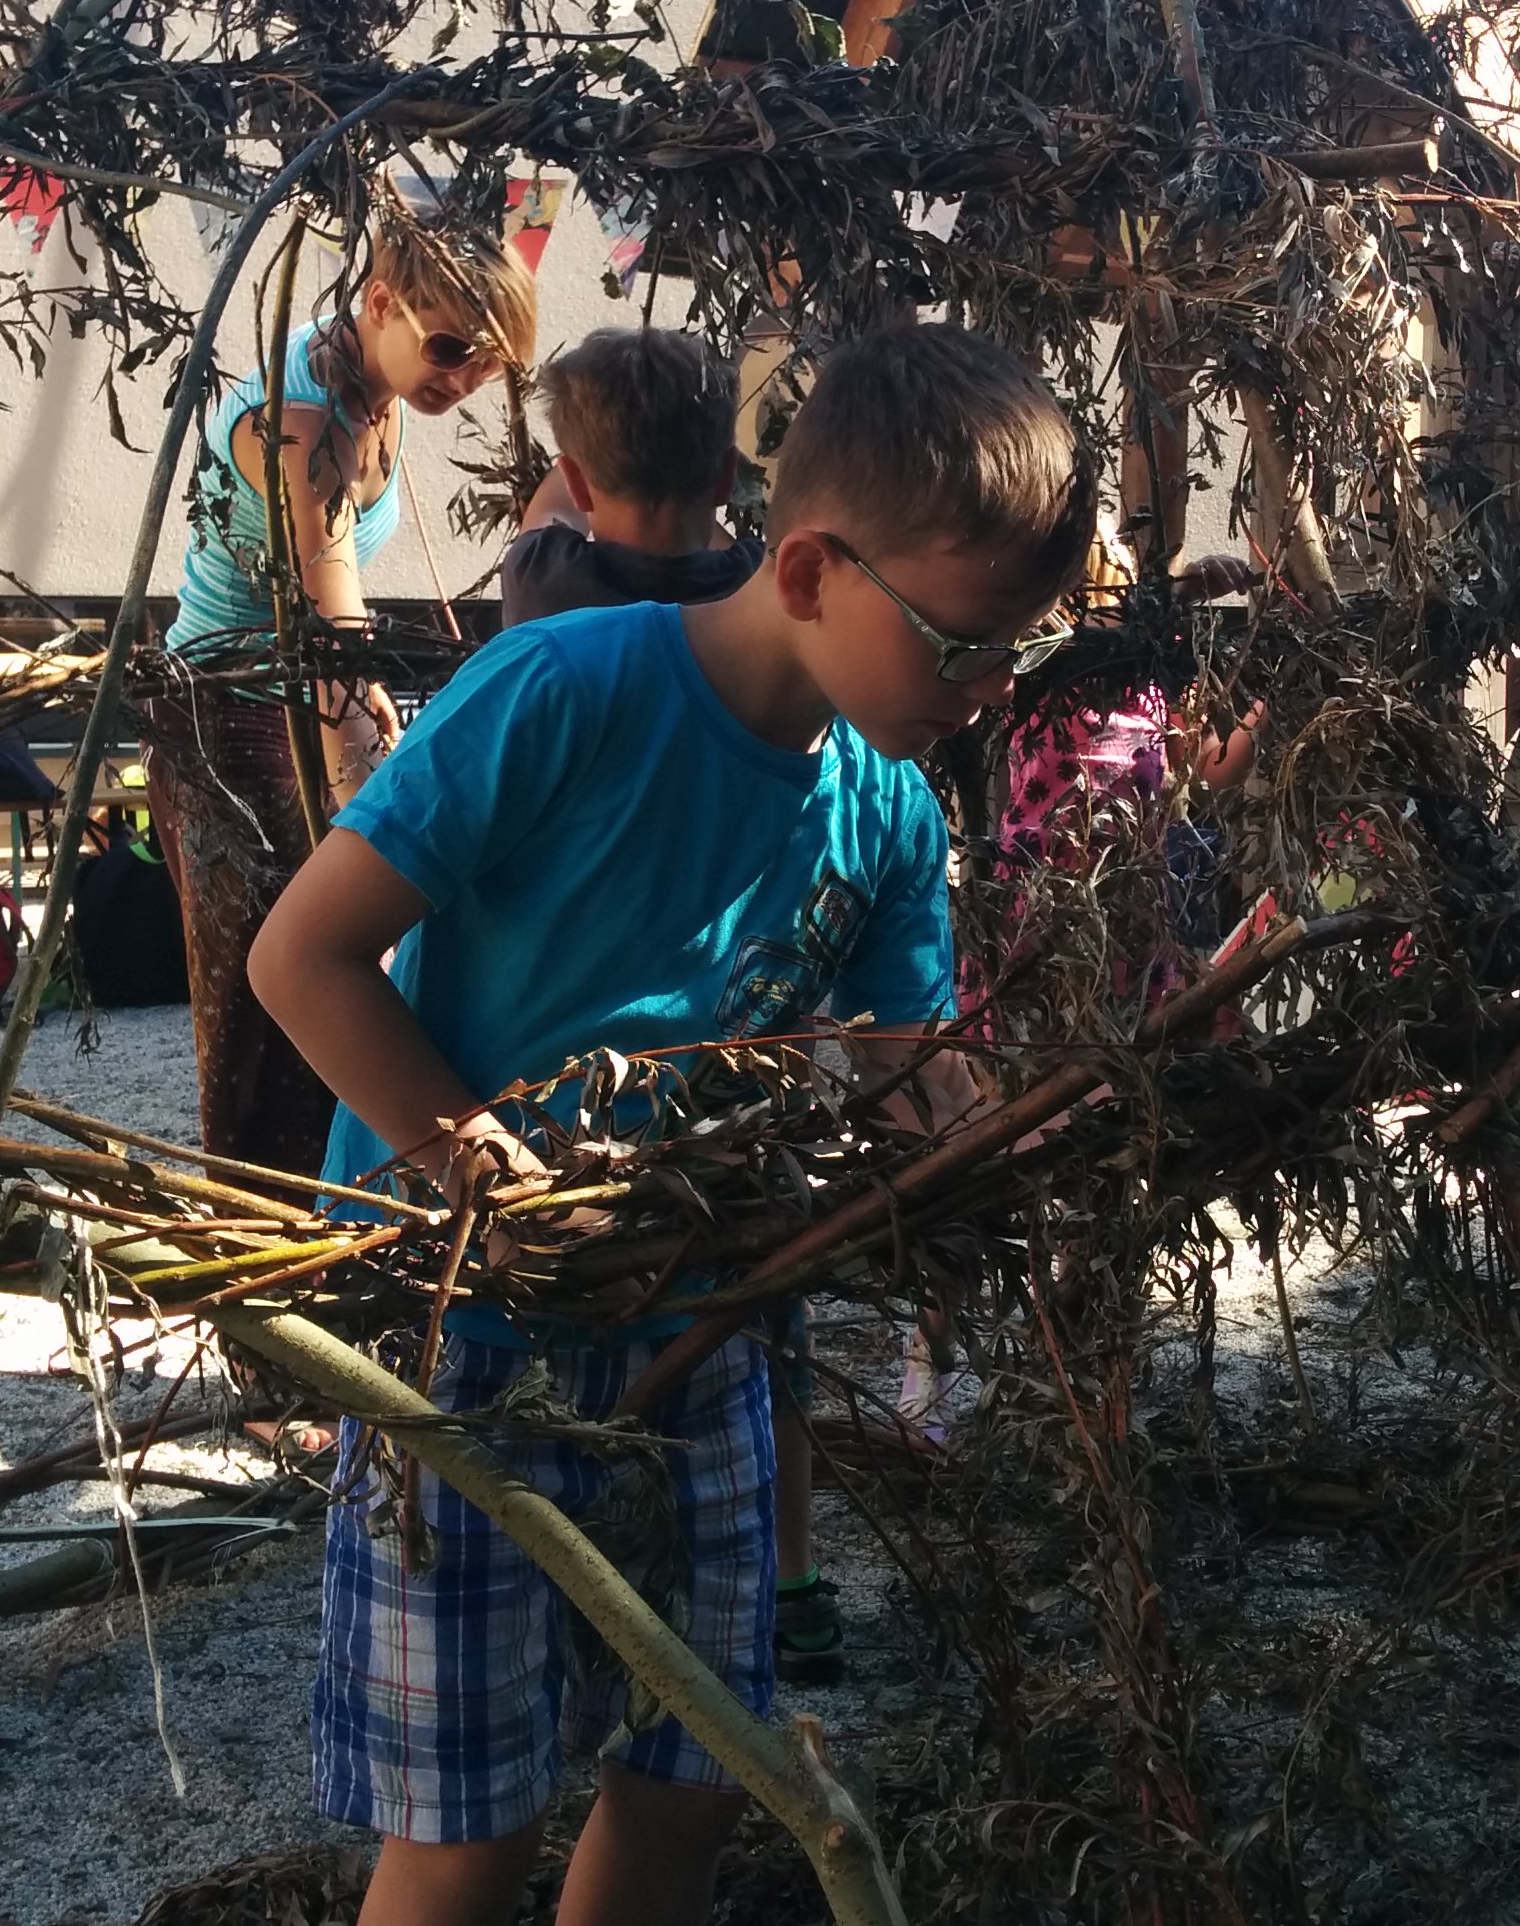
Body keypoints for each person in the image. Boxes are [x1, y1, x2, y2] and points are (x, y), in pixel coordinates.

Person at [250, 324, 1090, 1926]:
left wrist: (1041, 1130)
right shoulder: (563, 693)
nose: (989, 695)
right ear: (810, 570)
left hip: (705, 1335)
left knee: (699, 1774)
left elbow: (912, 1069)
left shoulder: (886, 809)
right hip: (466, 1337)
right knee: (468, 1827)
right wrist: (489, 1180)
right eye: (962, 644)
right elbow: (303, 958)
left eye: (1014, 654)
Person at [489, 327, 846, 1680]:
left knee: (563, 1368)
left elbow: (556, 508)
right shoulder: (759, 600)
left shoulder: (544, 593)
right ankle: (793, 1578)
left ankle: (584, 1597)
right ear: (727, 474)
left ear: (578, 475)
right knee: (759, 1319)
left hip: (564, 1068)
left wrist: (572, 478)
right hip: (724, 1058)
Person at [141, 209, 536, 1177]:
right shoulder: (304, 423)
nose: (464, 380)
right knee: (279, 998)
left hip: (295, 692)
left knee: (333, 976)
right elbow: (332, 639)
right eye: (451, 350)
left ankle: (349, 1199)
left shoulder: (385, 383)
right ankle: (268, 1225)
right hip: (227, 716)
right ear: (381, 303)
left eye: (487, 363)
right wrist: (365, 795)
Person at [497, 329, 759, 626]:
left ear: (576, 484)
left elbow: (552, 506)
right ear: (727, 476)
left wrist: (602, 439)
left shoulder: (541, 576)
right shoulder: (761, 585)